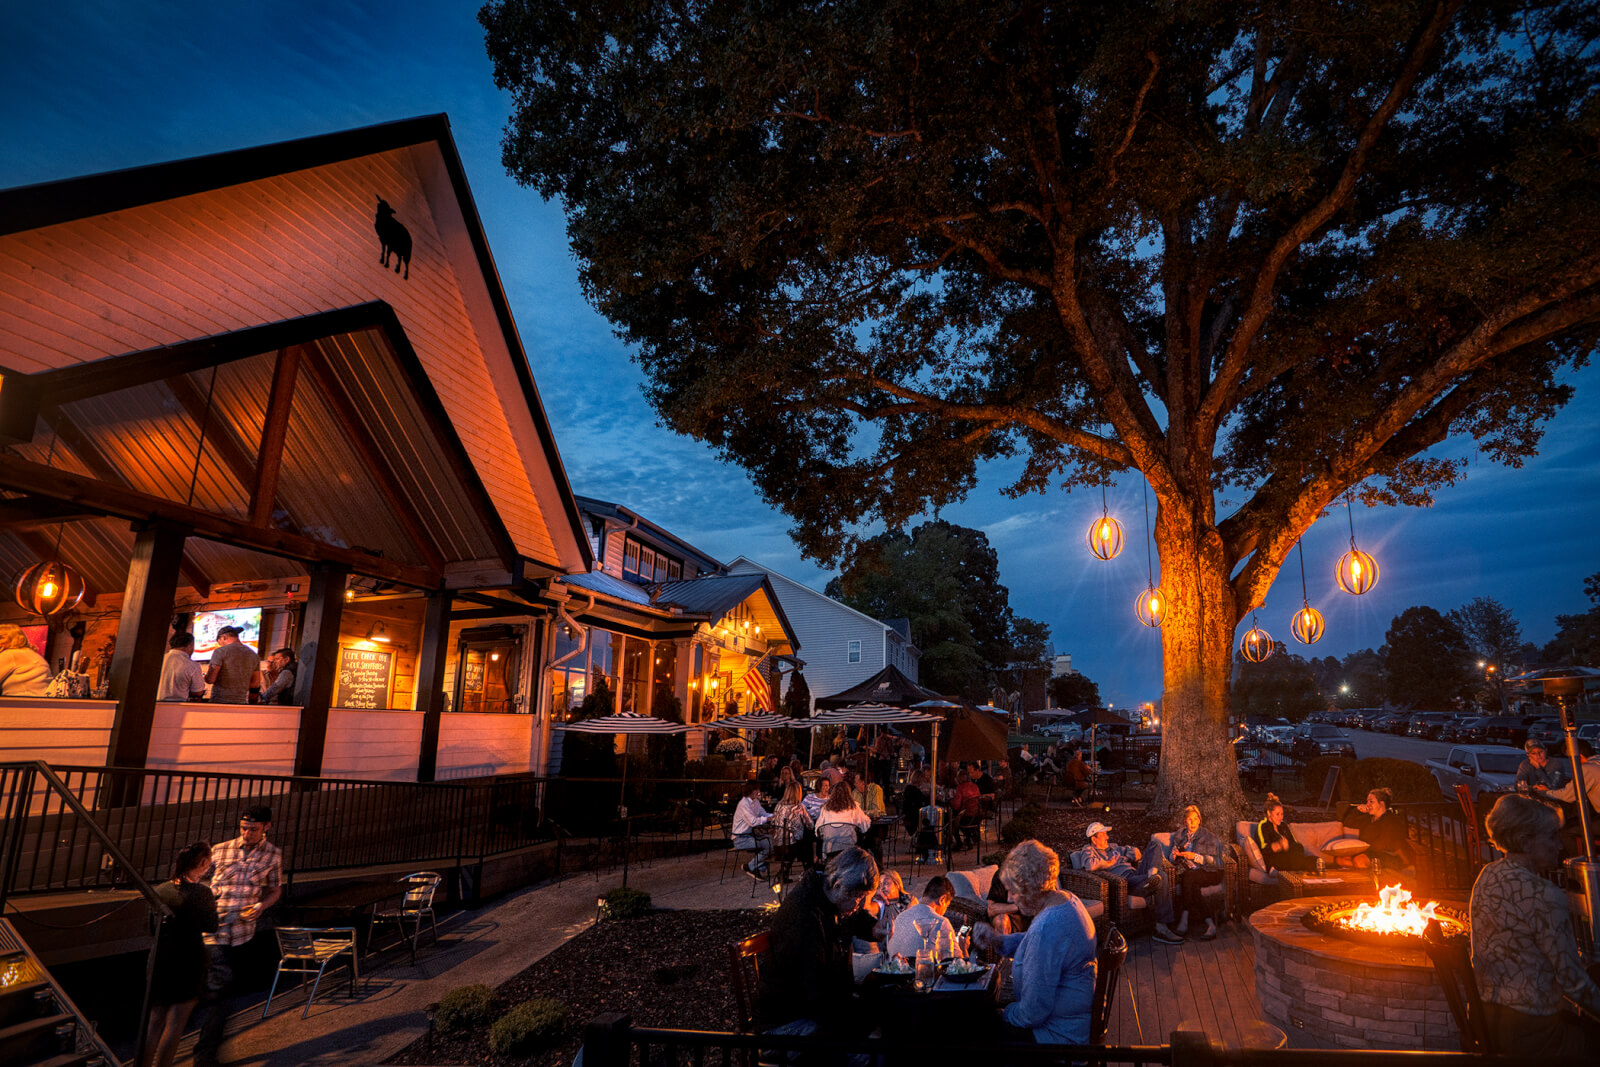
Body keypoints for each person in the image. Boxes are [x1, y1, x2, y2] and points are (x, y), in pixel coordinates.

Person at [1470, 794, 1600, 1055]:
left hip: (1485, 1021)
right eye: (1551, 836)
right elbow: (1571, 982)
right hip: (1532, 1034)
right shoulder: (1544, 894)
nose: (1559, 846)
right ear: (1525, 841)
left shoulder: (1488, 875)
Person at [973, 840, 1096, 1044]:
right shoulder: (1066, 900)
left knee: (973, 1031)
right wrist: (998, 940)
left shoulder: (1048, 926)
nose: (1010, 899)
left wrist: (1002, 1012)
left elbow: (1032, 1013)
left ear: (1031, 888)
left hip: (1056, 1037)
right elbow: (1034, 942)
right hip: (1075, 1023)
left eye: (1014, 891)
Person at [757, 847, 880, 1037]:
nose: (859, 904)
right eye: (858, 897)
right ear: (839, 885)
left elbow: (846, 921)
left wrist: (873, 927)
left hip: (811, 1004)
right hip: (788, 1019)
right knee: (873, 1044)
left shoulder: (825, 896)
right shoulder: (806, 916)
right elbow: (817, 993)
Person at [196, 807, 282, 1067]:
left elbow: (275, 889)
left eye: (253, 829)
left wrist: (262, 906)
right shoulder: (221, 849)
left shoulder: (273, 855)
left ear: (267, 827)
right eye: (243, 827)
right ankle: (205, 1057)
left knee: (225, 991)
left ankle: (206, 1049)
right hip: (215, 929)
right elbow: (198, 878)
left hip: (244, 933)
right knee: (220, 990)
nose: (246, 833)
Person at [144, 842, 218, 1067]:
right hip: (188, 961)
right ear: (203, 864)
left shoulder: (161, 890)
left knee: (155, 1021)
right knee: (176, 1022)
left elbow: (149, 926)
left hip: (161, 959)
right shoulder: (202, 893)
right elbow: (211, 925)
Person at [1154, 804, 1225, 943]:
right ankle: (1211, 925)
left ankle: (1184, 919)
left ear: (1199, 819)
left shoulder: (1207, 836)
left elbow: (1215, 861)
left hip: (1210, 872)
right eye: (1189, 819)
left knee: (1189, 877)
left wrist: (1194, 856)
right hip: (1191, 875)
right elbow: (1171, 859)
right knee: (1193, 885)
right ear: (1185, 821)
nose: (1192, 822)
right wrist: (1173, 856)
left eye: (1195, 819)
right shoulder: (1180, 835)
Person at [1073, 820, 1164, 896]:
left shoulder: (1113, 847)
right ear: (1094, 839)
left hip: (1135, 873)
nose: (1107, 837)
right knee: (1163, 876)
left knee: (1154, 844)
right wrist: (1107, 863)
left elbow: (1136, 853)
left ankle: (1152, 876)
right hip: (1125, 881)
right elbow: (1090, 866)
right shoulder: (1089, 850)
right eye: (1104, 834)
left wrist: (1127, 857)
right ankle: (1151, 881)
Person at [887, 875, 965, 960]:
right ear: (942, 900)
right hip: (923, 970)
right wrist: (963, 948)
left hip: (896, 969)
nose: (944, 912)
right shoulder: (941, 922)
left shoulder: (900, 917)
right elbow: (959, 965)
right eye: (947, 906)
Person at [1340, 788, 1413, 870]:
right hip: (1370, 853)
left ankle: (1369, 879)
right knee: (1341, 860)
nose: (1367, 804)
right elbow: (1348, 823)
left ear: (1381, 804)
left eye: (1371, 802)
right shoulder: (1368, 819)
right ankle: (1362, 873)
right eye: (1367, 801)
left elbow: (1383, 844)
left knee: (1360, 860)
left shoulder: (1391, 820)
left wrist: (1363, 851)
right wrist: (1357, 810)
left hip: (1389, 855)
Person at [1253, 793, 1317, 873]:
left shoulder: (1283, 825)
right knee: (1306, 863)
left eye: (1282, 814)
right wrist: (1279, 845)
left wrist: (1289, 846)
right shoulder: (1263, 826)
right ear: (1269, 813)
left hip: (1290, 858)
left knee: (1316, 860)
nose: (1281, 817)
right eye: (1277, 814)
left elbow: (1296, 845)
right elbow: (1264, 849)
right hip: (1275, 861)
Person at [203, 626, 261, 705]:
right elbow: (255, 683)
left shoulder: (220, 651)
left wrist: (205, 677)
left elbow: (211, 679)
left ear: (223, 637)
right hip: (241, 702)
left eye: (219, 643)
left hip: (219, 701)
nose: (220, 645)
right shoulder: (254, 655)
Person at [815, 778, 871, 856]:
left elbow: (818, 829)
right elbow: (865, 826)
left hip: (830, 848)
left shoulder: (826, 807)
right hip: (849, 847)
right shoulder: (854, 807)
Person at [732, 780, 774, 877]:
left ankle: (756, 866)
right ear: (751, 791)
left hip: (749, 835)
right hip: (740, 838)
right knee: (768, 844)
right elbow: (753, 822)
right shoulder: (744, 804)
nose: (758, 792)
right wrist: (768, 819)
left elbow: (763, 813)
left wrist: (775, 816)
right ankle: (752, 867)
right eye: (756, 790)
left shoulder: (755, 802)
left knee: (771, 840)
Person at [0, 623, 51, 696]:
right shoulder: (30, 653)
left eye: (1, 638)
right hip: (38, 702)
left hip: (19, 703)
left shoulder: (10, 654)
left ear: (14, 638)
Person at [771, 780, 814, 865]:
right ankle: (810, 868)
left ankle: (785, 871)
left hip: (777, 845)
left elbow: (773, 821)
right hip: (791, 846)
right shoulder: (798, 807)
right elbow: (810, 825)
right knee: (809, 838)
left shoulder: (778, 805)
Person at [157, 631, 207, 702]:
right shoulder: (192, 666)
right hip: (178, 707)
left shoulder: (160, 660)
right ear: (190, 645)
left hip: (155, 706)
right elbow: (198, 692)